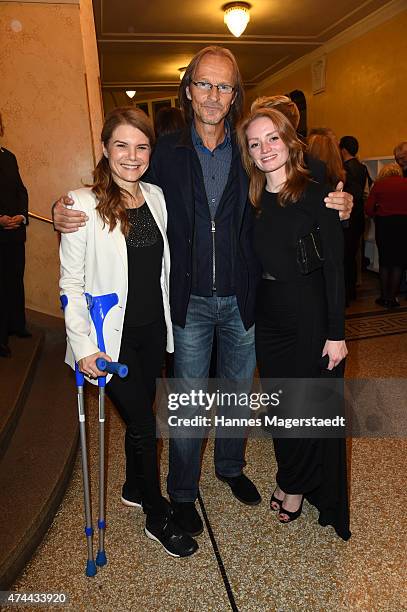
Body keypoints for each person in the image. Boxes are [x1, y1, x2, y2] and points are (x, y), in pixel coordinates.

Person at [53, 46, 353, 539]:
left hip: (244, 297)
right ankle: (185, 491)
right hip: (188, 301)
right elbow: (114, 180)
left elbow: (303, 177)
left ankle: (231, 467)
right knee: (190, 400)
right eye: (204, 85)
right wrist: (61, 208)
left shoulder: (247, 146)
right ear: (188, 89)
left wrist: (341, 200)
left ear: (236, 94)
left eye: (224, 86)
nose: (214, 96)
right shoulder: (164, 151)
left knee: (237, 393)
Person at [59, 106, 197, 558]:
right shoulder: (81, 204)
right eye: (122, 145)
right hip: (107, 341)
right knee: (142, 424)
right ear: (104, 149)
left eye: (141, 146)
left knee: (143, 411)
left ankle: (135, 486)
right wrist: (83, 348)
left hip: (152, 332)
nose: (132, 156)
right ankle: (157, 515)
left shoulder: (155, 196)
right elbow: (71, 286)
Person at [237, 106, 351, 540]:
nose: (265, 148)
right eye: (254, 143)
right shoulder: (253, 198)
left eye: (272, 138)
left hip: (308, 312)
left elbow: (335, 270)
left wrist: (336, 333)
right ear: (248, 153)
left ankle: (295, 487)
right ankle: (291, 475)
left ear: (288, 140)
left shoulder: (316, 192)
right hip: (269, 316)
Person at [0, 113, 30, 358]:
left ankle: (17, 326)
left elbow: (21, 190)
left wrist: (21, 216)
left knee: (14, 281)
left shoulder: (9, 157)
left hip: (15, 234)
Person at [365, 163, 407, 308]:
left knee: (385, 261)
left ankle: (384, 297)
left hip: (385, 226)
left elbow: (369, 209)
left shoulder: (379, 185)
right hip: (403, 225)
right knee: (398, 261)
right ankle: (393, 298)